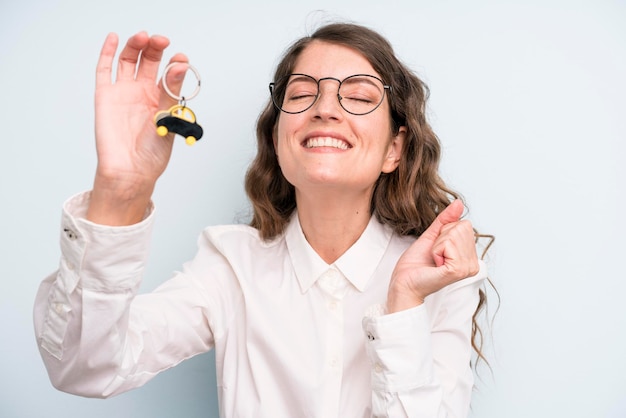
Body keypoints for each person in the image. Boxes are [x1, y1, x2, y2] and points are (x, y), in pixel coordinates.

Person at [34, 22, 489, 418]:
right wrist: (119, 192)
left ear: (394, 149)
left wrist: (405, 303)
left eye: (357, 96)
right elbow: (85, 367)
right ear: (278, 140)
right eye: (302, 94)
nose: (325, 109)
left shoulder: (440, 277)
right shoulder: (230, 266)